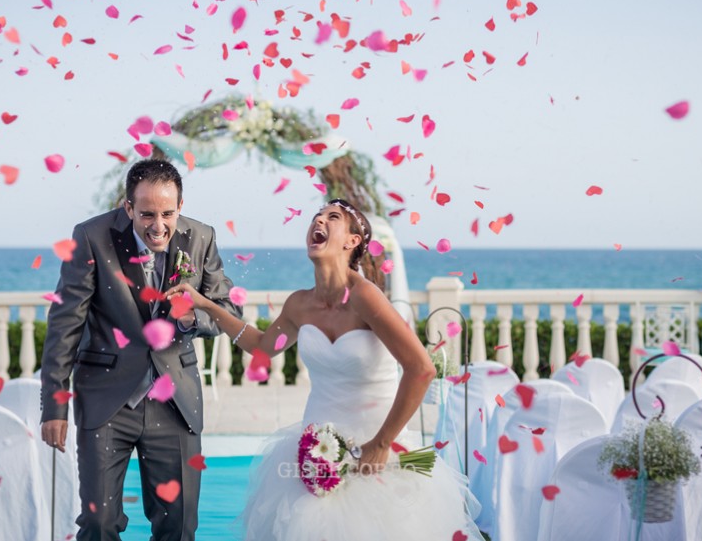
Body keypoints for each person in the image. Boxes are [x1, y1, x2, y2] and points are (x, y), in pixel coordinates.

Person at [172, 199, 484, 541]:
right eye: (315, 218)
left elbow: (421, 369)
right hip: (313, 454)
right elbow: (262, 347)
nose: (318, 221)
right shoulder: (299, 304)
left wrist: (381, 443)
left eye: (332, 218)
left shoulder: (366, 297)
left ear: (352, 241)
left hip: (377, 454)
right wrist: (206, 305)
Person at [39, 158, 240, 541]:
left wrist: (190, 319)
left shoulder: (201, 238)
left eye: (168, 213)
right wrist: (55, 406)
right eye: (147, 214)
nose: (159, 226)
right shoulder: (91, 237)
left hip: (175, 402)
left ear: (181, 205)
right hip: (106, 400)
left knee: (179, 526)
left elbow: (227, 312)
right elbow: (64, 325)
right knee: (99, 524)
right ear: (128, 207)